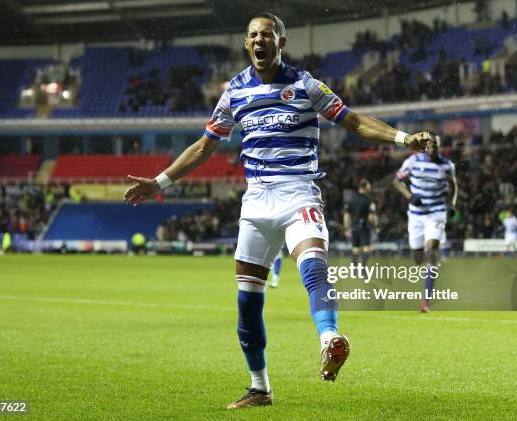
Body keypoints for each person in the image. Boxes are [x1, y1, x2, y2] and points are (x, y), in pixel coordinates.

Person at [124, 12, 430, 409]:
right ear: (246, 44)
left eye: (266, 35)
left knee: (313, 267)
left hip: (298, 193)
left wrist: (403, 137)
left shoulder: (305, 85)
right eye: (252, 35)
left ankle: (330, 339)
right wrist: (158, 183)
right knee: (247, 302)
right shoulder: (234, 91)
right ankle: (260, 388)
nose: (258, 41)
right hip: (256, 202)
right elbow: (204, 147)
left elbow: (353, 121)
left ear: (280, 43)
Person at [393, 133, 457, 313]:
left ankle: (426, 301)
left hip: (436, 213)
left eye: (436, 145)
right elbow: (397, 181)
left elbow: (454, 186)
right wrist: (410, 196)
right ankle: (423, 264)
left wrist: (451, 204)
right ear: (425, 146)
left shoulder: (447, 165)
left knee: (432, 247)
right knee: (418, 257)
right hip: (416, 215)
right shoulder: (413, 162)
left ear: (440, 146)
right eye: (430, 145)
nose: (433, 148)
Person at [343, 179, 376, 270]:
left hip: (354, 227)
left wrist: (347, 228)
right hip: (364, 227)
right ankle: (363, 269)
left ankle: (354, 269)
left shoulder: (352, 199)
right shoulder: (368, 200)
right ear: (365, 187)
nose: (370, 188)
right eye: (369, 186)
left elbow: (346, 215)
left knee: (355, 249)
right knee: (366, 248)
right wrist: (375, 225)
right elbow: (371, 217)